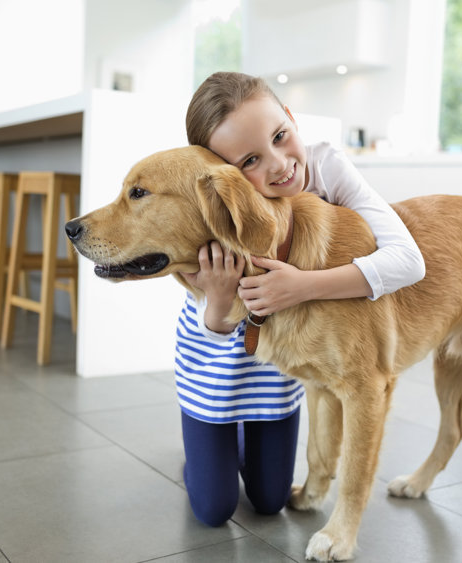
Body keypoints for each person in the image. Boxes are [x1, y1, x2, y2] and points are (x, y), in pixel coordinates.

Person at [176, 71, 425, 527]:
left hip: (283, 362)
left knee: (270, 500)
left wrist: (303, 286)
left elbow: (409, 261)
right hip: (219, 359)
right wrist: (217, 301)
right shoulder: (217, 204)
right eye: (251, 160)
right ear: (225, 175)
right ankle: (204, 453)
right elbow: (206, 323)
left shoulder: (324, 165)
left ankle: (260, 454)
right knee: (213, 506)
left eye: (280, 137)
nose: (279, 165)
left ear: (291, 119)